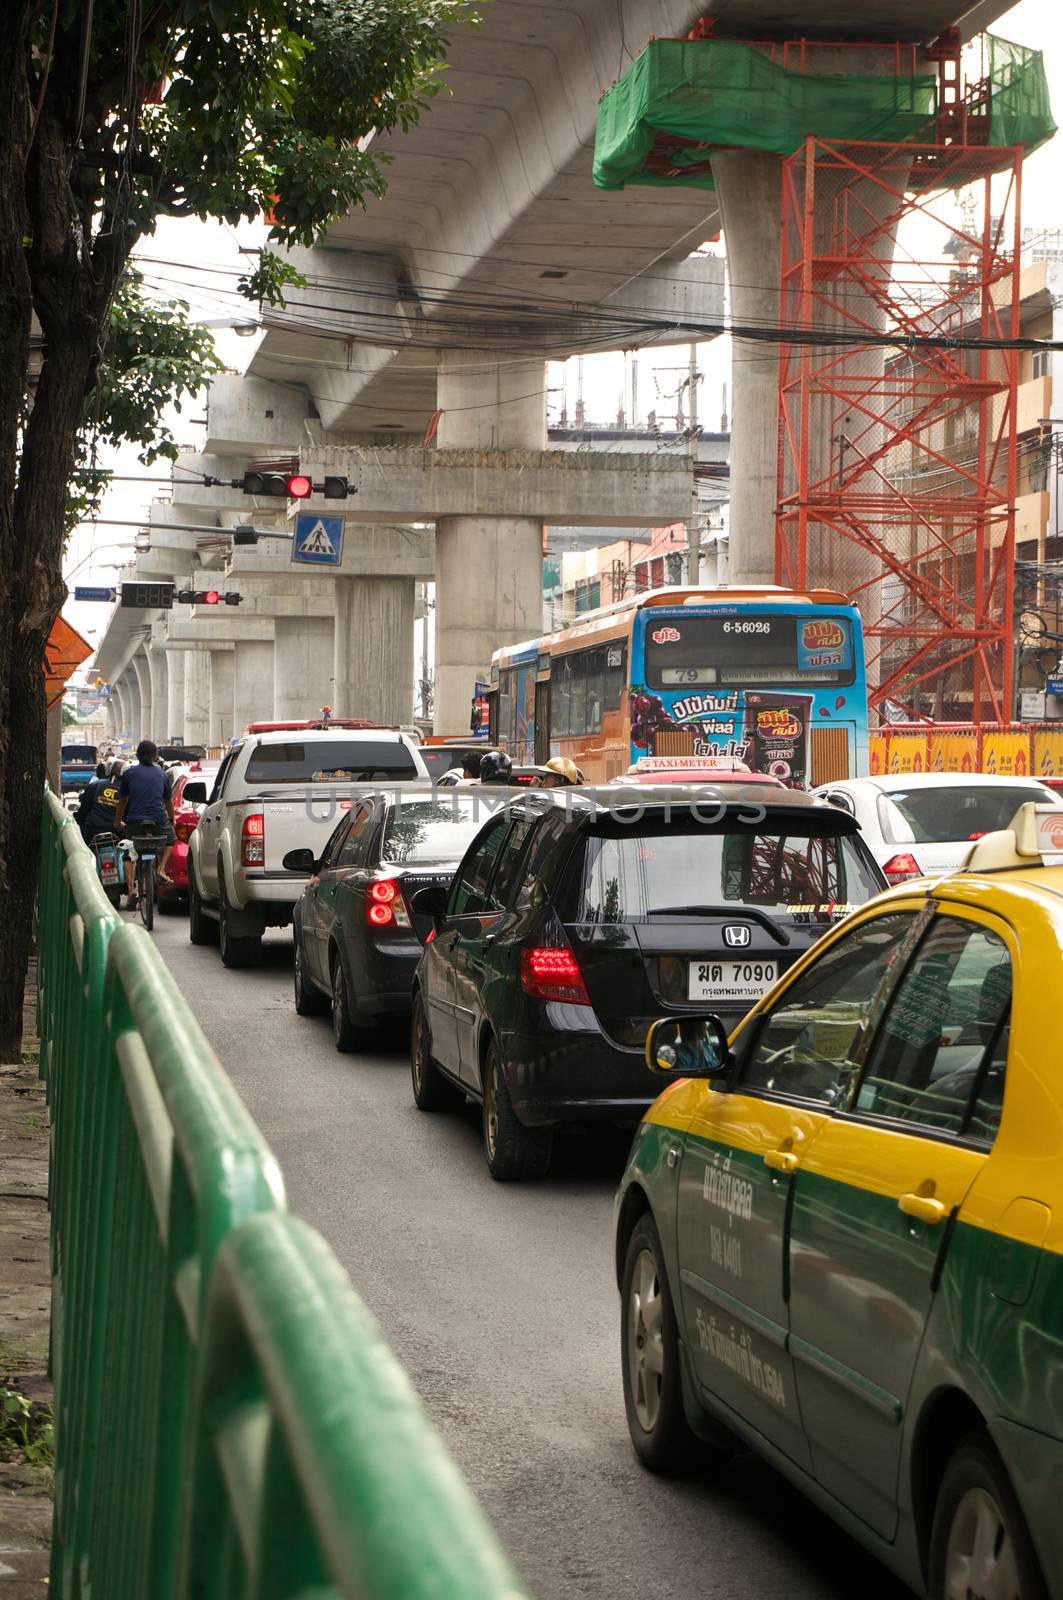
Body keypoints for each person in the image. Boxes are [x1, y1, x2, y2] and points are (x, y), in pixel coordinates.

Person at [115, 740, 176, 901]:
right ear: (155, 757)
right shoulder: (162, 774)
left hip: (135, 821)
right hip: (158, 820)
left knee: (129, 854)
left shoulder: (128, 774)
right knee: (170, 839)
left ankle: (130, 891)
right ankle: (161, 869)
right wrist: (172, 820)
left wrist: (118, 821)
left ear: (137, 756)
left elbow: (122, 801)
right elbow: (168, 802)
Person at [76, 760, 123, 845]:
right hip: (116, 832)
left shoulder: (96, 785)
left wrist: (78, 820)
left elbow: (84, 808)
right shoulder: (129, 790)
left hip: (93, 829)